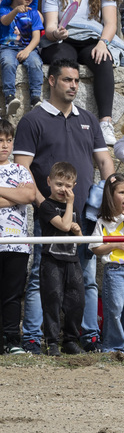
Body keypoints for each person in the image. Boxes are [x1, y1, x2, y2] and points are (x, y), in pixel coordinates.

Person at [14, 59, 114, 355]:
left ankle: (87, 337)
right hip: (48, 215)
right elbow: (23, 169)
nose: (73, 85)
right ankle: (33, 337)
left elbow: (104, 161)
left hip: (86, 212)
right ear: (51, 81)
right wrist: (44, 206)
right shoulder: (33, 120)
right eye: (68, 80)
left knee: (86, 276)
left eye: (77, 81)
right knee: (39, 278)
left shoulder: (89, 118)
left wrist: (113, 193)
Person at [40, 0, 119, 142]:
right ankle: (57, 116)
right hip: (62, 39)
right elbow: (49, 27)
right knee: (63, 64)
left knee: (104, 60)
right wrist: (56, 33)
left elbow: (110, 24)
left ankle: (105, 122)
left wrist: (104, 43)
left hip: (93, 39)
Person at [88, 173, 124, 355]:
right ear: (110, 194)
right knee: (114, 310)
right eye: (122, 192)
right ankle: (113, 347)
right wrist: (113, 245)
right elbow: (95, 248)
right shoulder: (102, 221)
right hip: (114, 271)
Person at [33, 161, 80, 356]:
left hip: (72, 259)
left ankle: (71, 340)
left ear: (74, 186)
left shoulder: (73, 206)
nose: (63, 189)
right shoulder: (46, 205)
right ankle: (52, 342)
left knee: (77, 302)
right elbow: (63, 225)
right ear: (49, 182)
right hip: (51, 259)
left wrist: (78, 232)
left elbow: (75, 232)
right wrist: (69, 204)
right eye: (59, 184)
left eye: (68, 186)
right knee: (52, 300)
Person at [0, 119, 33, 354]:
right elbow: (20, 195)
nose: (5, 145)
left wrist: (19, 195)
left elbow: (29, 195)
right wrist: (16, 195)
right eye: (0, 141)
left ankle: (12, 339)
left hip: (17, 244)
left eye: (9, 140)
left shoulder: (20, 170)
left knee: (12, 294)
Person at [0, 0, 43, 114]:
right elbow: (5, 21)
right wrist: (15, 11)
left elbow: (36, 37)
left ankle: (36, 97)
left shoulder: (34, 13)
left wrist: (28, 51)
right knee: (8, 62)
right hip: (7, 47)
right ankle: (9, 98)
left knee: (36, 63)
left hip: (28, 48)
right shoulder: (4, 9)